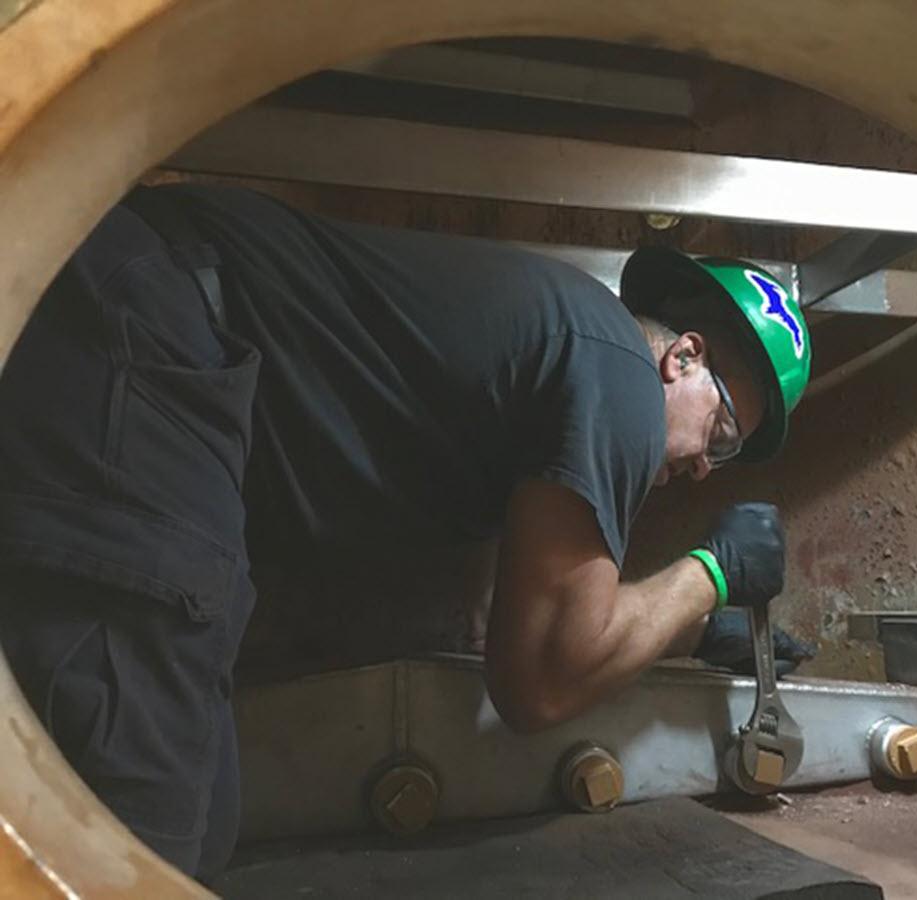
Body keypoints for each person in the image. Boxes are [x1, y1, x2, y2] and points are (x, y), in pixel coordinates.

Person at [0, 183, 812, 882]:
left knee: (191, 821)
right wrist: (710, 572)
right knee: (150, 819)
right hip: (147, 325)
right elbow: (540, 681)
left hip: (137, 317)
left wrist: (688, 633)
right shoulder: (619, 372)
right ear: (685, 359)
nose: (708, 467)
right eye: (724, 434)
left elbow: (504, 623)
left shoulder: (553, 360)